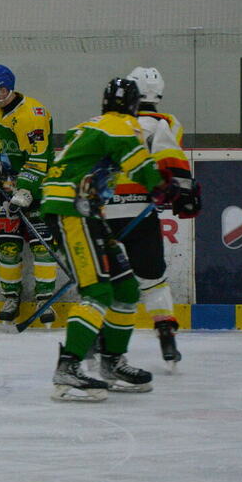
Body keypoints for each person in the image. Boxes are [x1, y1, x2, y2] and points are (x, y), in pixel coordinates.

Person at [40, 78, 183, 402]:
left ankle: (111, 361)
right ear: (133, 105)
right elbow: (139, 163)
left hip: (84, 211)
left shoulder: (92, 125)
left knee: (126, 288)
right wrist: (164, 187)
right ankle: (68, 369)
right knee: (99, 291)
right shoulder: (122, 126)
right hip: (72, 211)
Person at [99, 67, 201, 371]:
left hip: (104, 213)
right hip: (140, 213)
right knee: (153, 277)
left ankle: (97, 336)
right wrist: (183, 193)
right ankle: (166, 333)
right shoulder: (166, 123)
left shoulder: (107, 123)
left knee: (104, 279)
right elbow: (171, 160)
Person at [0, 64, 58, 326]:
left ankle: (45, 300)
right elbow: (5, 139)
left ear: (4, 90)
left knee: (43, 245)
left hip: (40, 183)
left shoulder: (33, 115)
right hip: (8, 183)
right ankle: (10, 299)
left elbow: (39, 159)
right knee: (7, 245)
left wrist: (26, 191)